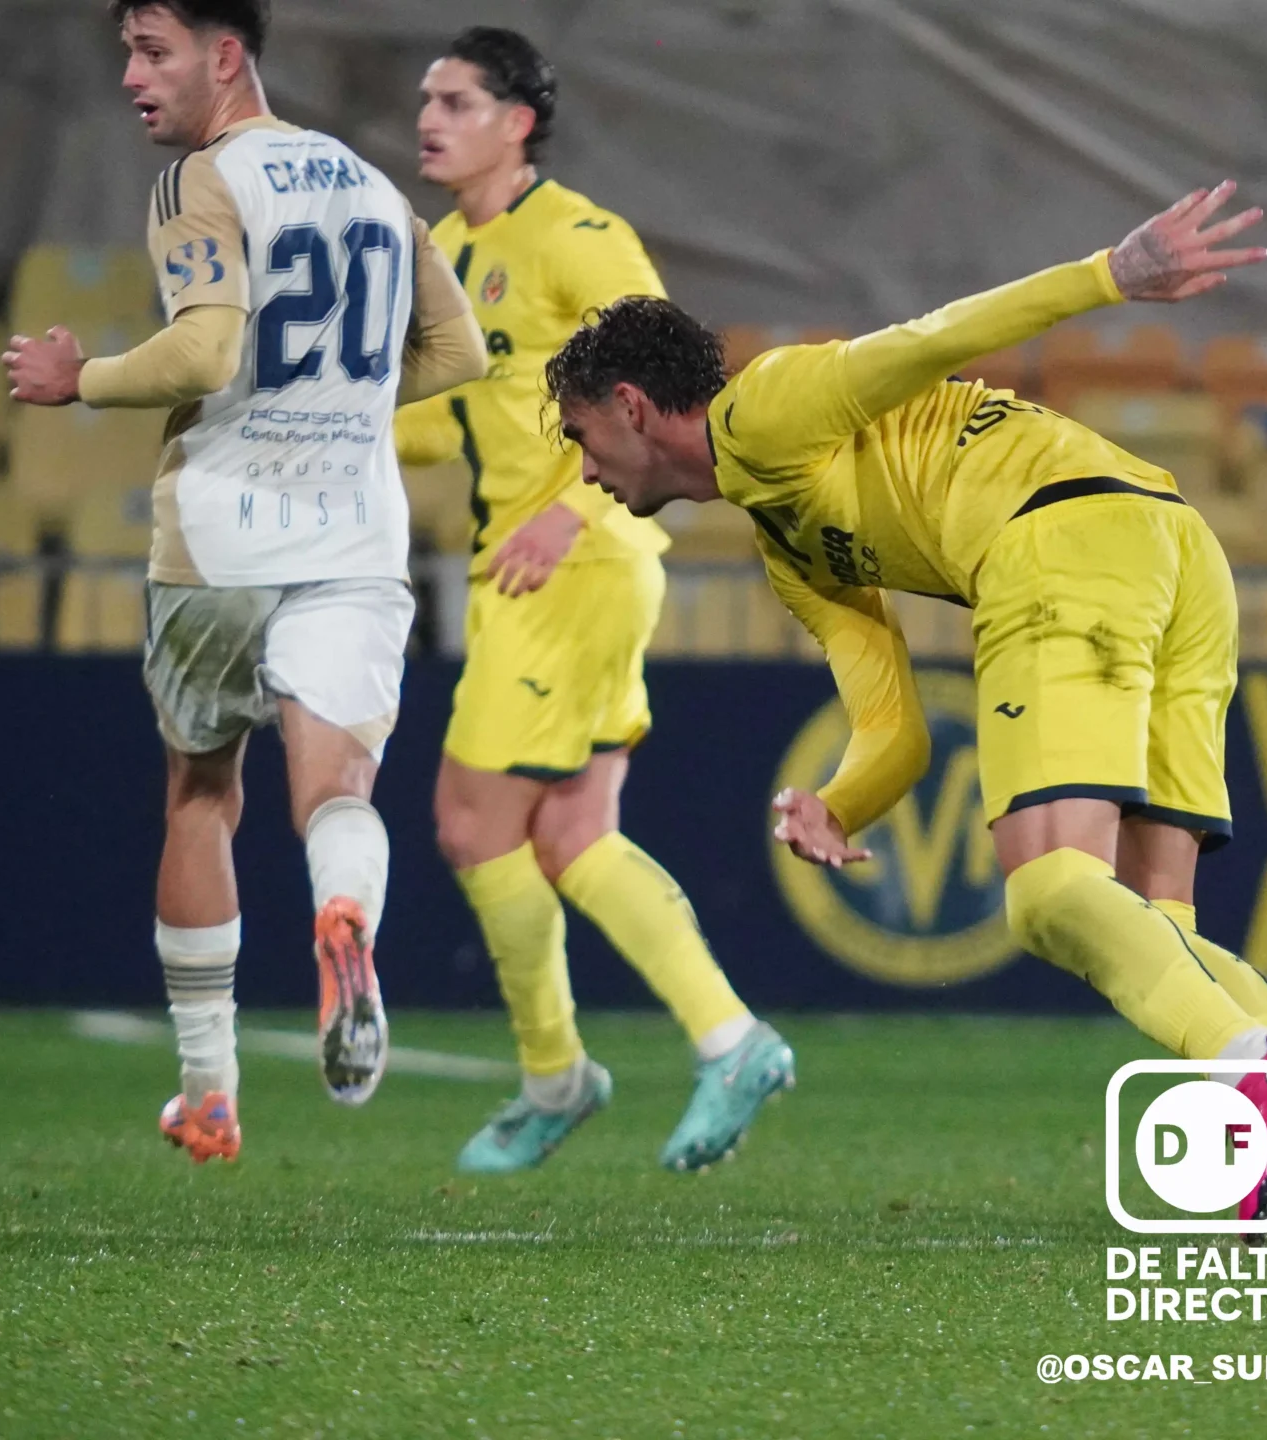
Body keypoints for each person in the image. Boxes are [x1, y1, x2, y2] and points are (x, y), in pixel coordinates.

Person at [541, 185, 1267, 1248]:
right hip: (1172, 548)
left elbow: (932, 338)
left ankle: (1262, 1080)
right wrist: (840, 803)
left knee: (1047, 893)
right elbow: (893, 724)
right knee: (1156, 922)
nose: (583, 469)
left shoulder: (765, 409)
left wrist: (1109, 277)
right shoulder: (788, 542)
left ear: (632, 407)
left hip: (1060, 543)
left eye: (582, 436)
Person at [2, 0, 485, 1161]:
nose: (131, 75)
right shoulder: (376, 189)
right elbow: (462, 352)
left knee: (202, 795)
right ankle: (347, 922)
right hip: (357, 538)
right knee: (338, 794)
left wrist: (87, 380)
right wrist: (340, 409)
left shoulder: (202, 180)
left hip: (223, 535)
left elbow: (209, 349)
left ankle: (210, 1092)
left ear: (226, 58)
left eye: (151, 50)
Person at [392, 27, 790, 1176]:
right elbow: (461, 414)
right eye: (428, 99)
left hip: (571, 559)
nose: (431, 118)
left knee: (473, 825)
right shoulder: (455, 254)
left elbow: (670, 386)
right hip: (539, 564)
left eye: (457, 100)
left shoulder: (576, 235)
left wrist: (579, 510)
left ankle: (556, 1076)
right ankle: (730, 1038)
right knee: (571, 835)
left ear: (518, 122)